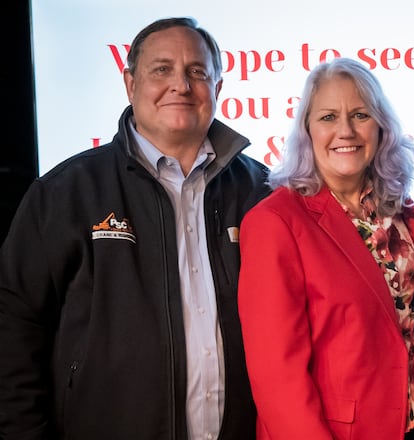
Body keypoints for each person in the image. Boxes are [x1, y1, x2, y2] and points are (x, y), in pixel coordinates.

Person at [0, 17, 271, 440]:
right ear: (130, 84)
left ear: (217, 89)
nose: (180, 85)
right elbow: (15, 326)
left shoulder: (262, 192)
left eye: (197, 72)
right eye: (161, 69)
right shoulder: (65, 192)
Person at [237, 57, 414, 440]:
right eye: (327, 117)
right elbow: (277, 378)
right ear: (307, 129)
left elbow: (401, 316)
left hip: (410, 428)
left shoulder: (403, 216)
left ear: (381, 126)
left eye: (360, 114)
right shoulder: (276, 222)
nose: (345, 130)